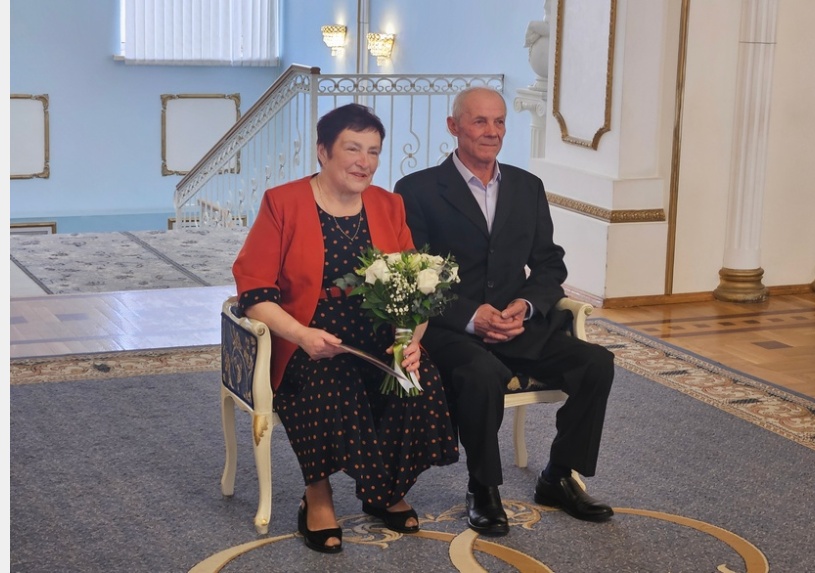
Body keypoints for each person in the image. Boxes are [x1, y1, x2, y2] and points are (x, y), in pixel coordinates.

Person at [232, 103, 459, 553]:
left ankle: (385, 490)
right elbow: (254, 293)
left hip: (377, 336)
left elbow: (417, 285)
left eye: (373, 151)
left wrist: (411, 342)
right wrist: (302, 335)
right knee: (332, 384)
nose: (364, 162)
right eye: (353, 149)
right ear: (323, 151)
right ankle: (317, 496)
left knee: (419, 381)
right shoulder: (283, 202)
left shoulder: (388, 205)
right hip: (307, 340)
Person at [393, 87, 615, 537]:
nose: (491, 131)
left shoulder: (527, 187)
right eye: (479, 121)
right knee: (482, 375)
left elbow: (550, 264)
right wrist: (472, 315)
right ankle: (483, 488)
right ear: (454, 126)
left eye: (499, 122)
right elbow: (413, 275)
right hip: (452, 328)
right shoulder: (416, 190)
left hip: (518, 325)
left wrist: (525, 306)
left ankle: (558, 476)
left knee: (596, 364)